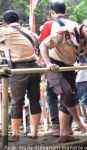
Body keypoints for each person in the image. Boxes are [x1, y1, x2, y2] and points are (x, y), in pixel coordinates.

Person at [40, 19, 87, 142]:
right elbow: (43, 45)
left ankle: (64, 135)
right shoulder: (64, 33)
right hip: (54, 65)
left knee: (69, 99)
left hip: (69, 67)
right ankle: (80, 123)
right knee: (67, 94)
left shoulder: (83, 39)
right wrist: (48, 63)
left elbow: (85, 54)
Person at [0, 10, 41, 142]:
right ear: (18, 20)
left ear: (4, 22)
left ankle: (15, 134)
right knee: (34, 99)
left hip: (19, 68)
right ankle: (35, 132)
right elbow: (36, 40)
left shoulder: (5, 31)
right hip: (34, 67)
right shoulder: (28, 31)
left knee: (17, 102)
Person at [39, 1, 69, 135]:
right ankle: (67, 126)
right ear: (65, 11)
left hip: (53, 64)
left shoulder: (49, 24)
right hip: (69, 64)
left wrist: (44, 63)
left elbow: (43, 44)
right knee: (68, 94)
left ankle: (56, 125)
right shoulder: (71, 24)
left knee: (51, 94)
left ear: (52, 12)